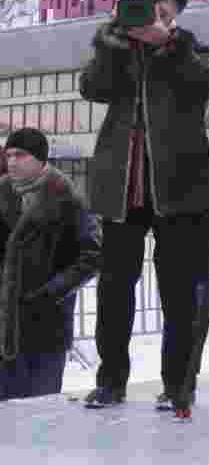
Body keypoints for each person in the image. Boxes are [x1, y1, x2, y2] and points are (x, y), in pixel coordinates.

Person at [79, 0, 209, 409]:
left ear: (174, 10)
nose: (149, 13)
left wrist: (169, 45)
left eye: (160, 6)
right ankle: (111, 381)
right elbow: (92, 88)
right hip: (121, 187)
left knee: (179, 291)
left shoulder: (190, 46)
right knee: (113, 289)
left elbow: (208, 83)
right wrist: (112, 43)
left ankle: (178, 384)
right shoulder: (116, 46)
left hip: (180, 187)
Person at [0, 128, 101, 400]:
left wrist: (52, 292)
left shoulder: (66, 198)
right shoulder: (2, 193)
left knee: (39, 407)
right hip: (5, 324)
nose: (12, 161)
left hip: (45, 325)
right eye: (9, 155)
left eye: (20, 155)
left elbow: (92, 255)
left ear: (40, 158)